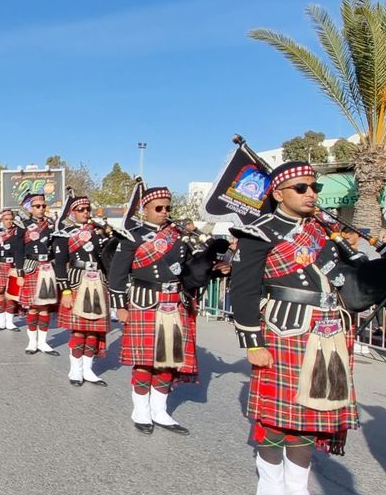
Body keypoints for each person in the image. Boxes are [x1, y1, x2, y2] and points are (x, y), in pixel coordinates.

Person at [228, 162, 386, 495]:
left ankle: (299, 491)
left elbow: (354, 282)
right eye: (301, 188)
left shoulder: (324, 232)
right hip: (284, 329)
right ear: (278, 193)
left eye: (314, 187)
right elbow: (244, 289)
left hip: (328, 331)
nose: (311, 193)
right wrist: (252, 341)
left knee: (312, 413)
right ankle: (270, 487)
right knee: (275, 416)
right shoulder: (258, 232)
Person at [108, 186, 229, 435]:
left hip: (175, 301)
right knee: (145, 361)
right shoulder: (133, 237)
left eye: (167, 208)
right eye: (158, 208)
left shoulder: (179, 236)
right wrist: (119, 306)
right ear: (145, 210)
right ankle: (140, 410)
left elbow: (188, 271)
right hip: (144, 301)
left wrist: (213, 267)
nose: (164, 212)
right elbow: (117, 275)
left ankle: (159, 411)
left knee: (168, 361)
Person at [52, 195, 111, 386]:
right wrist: (66, 291)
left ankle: (88, 370)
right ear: (73, 212)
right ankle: (75, 370)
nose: (86, 212)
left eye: (88, 209)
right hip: (77, 281)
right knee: (79, 331)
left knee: (93, 331)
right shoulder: (64, 234)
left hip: (98, 281)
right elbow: (60, 264)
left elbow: (107, 260)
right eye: (81, 209)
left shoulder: (99, 232)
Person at [16, 195, 59, 354]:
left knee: (45, 307)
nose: (41, 208)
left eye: (43, 206)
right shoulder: (23, 225)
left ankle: (43, 342)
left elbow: (55, 248)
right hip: (30, 267)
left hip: (47, 267)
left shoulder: (51, 225)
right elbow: (18, 249)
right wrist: (19, 272)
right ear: (31, 208)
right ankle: (32, 342)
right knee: (33, 308)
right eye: (37, 206)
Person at [0, 209, 23, 331]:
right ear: (2, 220)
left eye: (11, 219)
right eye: (6, 219)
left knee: (11, 295)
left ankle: (10, 322)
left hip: (13, 266)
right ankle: (0, 321)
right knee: (0, 294)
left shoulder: (18, 232)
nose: (9, 221)